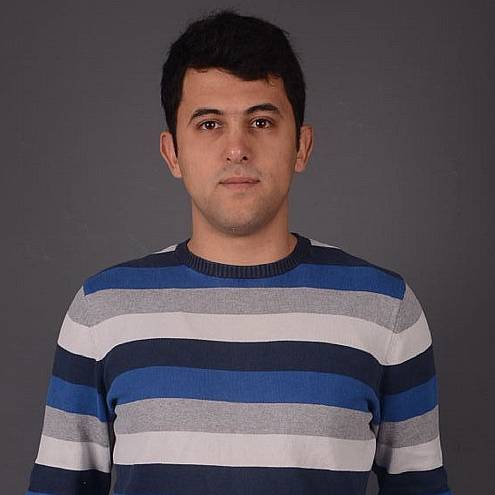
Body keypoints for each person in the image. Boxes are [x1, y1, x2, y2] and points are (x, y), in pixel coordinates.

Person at [25, 8, 453, 495]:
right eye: (209, 124)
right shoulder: (101, 312)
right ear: (172, 153)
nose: (237, 148)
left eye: (262, 121)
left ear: (301, 146)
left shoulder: (387, 310)